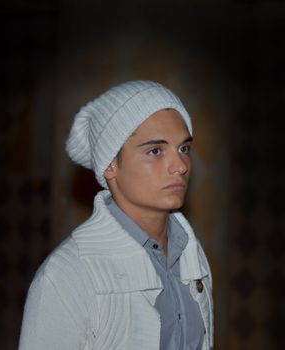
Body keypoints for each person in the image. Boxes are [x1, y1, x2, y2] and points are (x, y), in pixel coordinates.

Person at [19, 80, 213, 350]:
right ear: (110, 164)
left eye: (184, 149)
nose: (180, 165)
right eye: (155, 151)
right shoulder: (66, 275)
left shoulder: (191, 254)